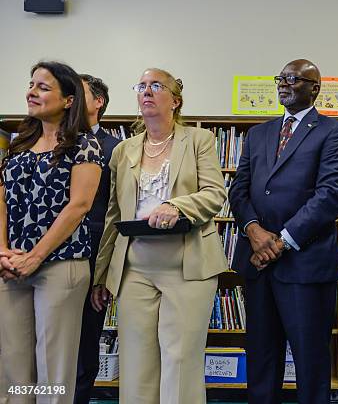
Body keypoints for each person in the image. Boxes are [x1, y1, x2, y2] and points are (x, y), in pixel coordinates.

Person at [91, 68, 227, 404]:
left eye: (156, 86)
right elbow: (113, 214)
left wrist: (176, 206)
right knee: (137, 362)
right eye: (141, 86)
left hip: (187, 264)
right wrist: (102, 275)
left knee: (179, 359)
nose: (147, 91)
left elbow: (214, 193)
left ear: (175, 100)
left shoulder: (199, 140)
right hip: (135, 267)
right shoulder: (123, 150)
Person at [228, 59, 338, 404]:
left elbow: (331, 196)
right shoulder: (258, 133)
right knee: (261, 358)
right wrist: (254, 231)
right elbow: (239, 189)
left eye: (293, 79)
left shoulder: (334, 132)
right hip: (257, 262)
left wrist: (280, 242)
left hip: (305, 262)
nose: (283, 84)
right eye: (280, 78)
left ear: (315, 88)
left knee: (310, 360)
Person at [0, 61, 102, 403]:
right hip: (11, 266)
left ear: (69, 100)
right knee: (13, 368)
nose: (32, 92)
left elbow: (79, 206)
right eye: (31, 85)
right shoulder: (17, 143)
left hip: (60, 264)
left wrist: (36, 257)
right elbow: (1, 200)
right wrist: (3, 250)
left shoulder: (84, 144)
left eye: (43, 87)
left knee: (52, 369)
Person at [74, 74, 120, 404]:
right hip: (47, 258)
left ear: (98, 102)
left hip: (93, 256)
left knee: (86, 339)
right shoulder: (51, 142)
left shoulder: (115, 149)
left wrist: (105, 272)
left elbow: (117, 209)